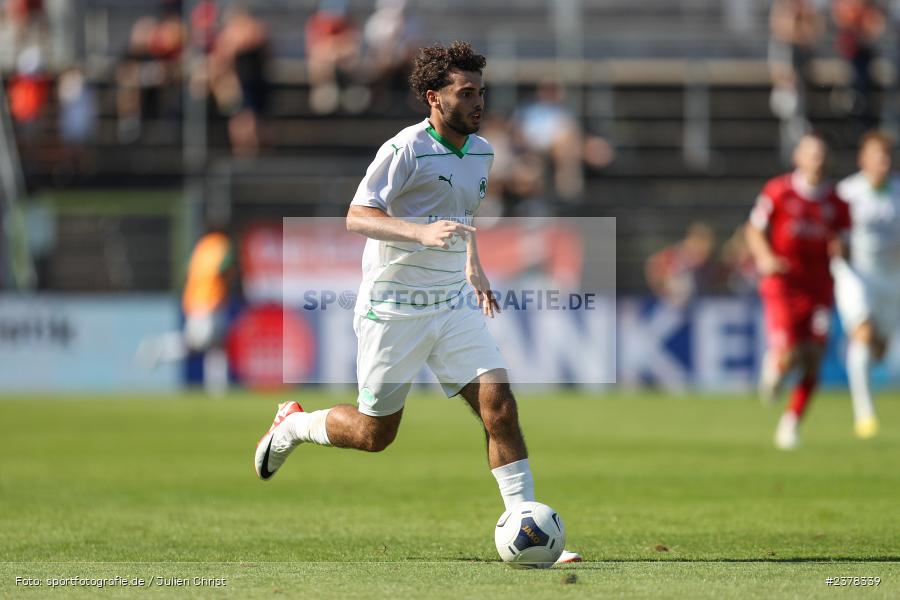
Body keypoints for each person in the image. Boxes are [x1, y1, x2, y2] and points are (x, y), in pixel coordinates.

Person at [253, 41, 581, 564]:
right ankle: (293, 424)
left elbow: (461, 216)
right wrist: (418, 234)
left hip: (451, 300)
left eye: (481, 91)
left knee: (500, 406)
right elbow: (357, 216)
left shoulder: (482, 152)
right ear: (434, 97)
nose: (478, 102)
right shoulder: (403, 149)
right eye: (466, 92)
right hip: (394, 306)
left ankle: (528, 524)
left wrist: (473, 263)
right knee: (374, 433)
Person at [745, 133, 850, 450]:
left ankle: (791, 423)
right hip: (783, 283)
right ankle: (775, 365)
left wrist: (842, 249)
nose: (817, 160)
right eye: (811, 154)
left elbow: (844, 241)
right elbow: (753, 228)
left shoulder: (836, 202)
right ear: (798, 159)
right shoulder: (779, 191)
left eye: (821, 154)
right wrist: (764, 257)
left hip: (818, 286)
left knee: (814, 359)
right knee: (789, 354)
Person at [833, 131, 900, 439]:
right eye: (876, 155)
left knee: (880, 347)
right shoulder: (848, 193)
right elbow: (831, 232)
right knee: (864, 332)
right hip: (855, 273)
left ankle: (859, 358)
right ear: (863, 159)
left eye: (886, 156)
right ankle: (865, 414)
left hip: (890, 277)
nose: (882, 162)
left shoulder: (897, 193)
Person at [136, 228, 235, 396]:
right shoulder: (221, 244)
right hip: (209, 301)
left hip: (196, 299)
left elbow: (187, 268)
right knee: (195, 344)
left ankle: (218, 389)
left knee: (218, 345)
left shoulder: (201, 247)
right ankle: (158, 349)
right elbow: (224, 265)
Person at [645, 222, 717, 308]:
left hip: (695, 301)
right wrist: (661, 290)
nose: (706, 247)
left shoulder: (703, 259)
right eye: (703, 241)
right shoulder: (675, 254)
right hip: (672, 302)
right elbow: (652, 264)